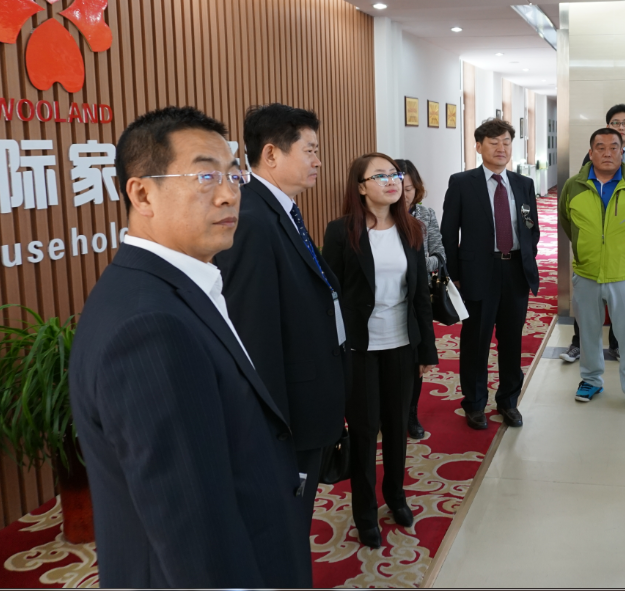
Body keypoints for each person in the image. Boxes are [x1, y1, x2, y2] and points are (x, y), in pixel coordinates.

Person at [69, 107, 310, 588]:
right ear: (142, 194)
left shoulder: (171, 285)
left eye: (233, 175)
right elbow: (190, 529)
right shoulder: (149, 327)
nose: (228, 194)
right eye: (204, 176)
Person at [213, 103, 348, 583]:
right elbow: (254, 336)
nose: (318, 161)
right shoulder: (252, 219)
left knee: (293, 525)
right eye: (309, 150)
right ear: (270, 154)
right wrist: (275, 432)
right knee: (281, 532)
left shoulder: (280, 209)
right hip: (287, 420)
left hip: (306, 401)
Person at [322, 153, 439, 549]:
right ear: (360, 187)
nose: (392, 181)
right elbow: (330, 295)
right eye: (380, 176)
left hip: (402, 343)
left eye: (395, 174)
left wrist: (426, 350)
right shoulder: (341, 232)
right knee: (364, 429)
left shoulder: (413, 229)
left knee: (396, 426)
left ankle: (396, 496)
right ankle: (365, 512)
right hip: (359, 347)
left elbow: (420, 295)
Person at [441, 118, 540, 431]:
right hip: (477, 272)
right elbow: (448, 233)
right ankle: (474, 403)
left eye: (506, 142)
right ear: (478, 146)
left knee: (512, 340)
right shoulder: (462, 182)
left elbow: (531, 228)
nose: (501, 148)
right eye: (494, 142)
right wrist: (454, 275)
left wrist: (527, 258)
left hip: (515, 271)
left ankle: (508, 401)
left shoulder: (523, 184)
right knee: (476, 341)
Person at [559, 127, 625, 410]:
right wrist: (586, 250)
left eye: (614, 147)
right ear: (591, 153)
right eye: (600, 147)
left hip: (623, 273)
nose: (607, 153)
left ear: (621, 152)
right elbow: (567, 223)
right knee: (588, 332)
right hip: (586, 272)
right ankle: (591, 380)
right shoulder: (573, 186)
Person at [395, 158, 446, 440]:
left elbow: (440, 255)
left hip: (418, 298)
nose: (404, 195)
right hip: (386, 299)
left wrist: (415, 263)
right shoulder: (378, 217)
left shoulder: (425, 215)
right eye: (399, 188)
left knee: (417, 359)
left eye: (409, 189)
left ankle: (411, 413)